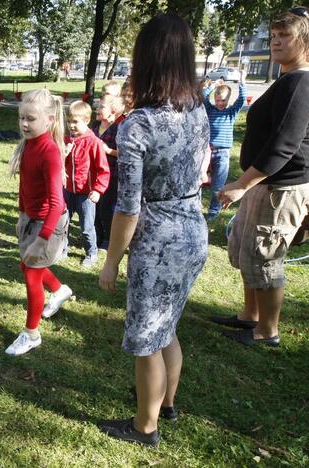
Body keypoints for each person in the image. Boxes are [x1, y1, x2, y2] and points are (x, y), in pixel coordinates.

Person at [97, 14, 209, 447]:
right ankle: (165, 403)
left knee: (146, 339)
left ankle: (146, 427)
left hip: (159, 240)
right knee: (168, 326)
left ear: (145, 58)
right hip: (192, 230)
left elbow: (127, 209)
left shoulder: (137, 125)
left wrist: (110, 262)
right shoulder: (197, 109)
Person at [213, 7, 309, 347]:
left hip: (284, 186)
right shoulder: (294, 75)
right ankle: (250, 317)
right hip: (269, 182)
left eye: (284, 36)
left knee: (265, 255)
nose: (276, 42)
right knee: (247, 249)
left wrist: (241, 185)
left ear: (305, 40)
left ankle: (267, 331)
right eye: (274, 36)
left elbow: (284, 146)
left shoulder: (303, 81)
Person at [4, 88, 72, 356]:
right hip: (32, 219)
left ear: (51, 119)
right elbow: (25, 186)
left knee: (31, 274)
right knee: (27, 265)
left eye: (31, 119)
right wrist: (22, 215)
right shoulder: (29, 144)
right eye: (22, 117)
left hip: (49, 223)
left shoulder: (50, 152)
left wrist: (42, 239)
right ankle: (59, 289)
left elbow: (57, 204)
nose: (24, 124)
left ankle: (31, 334)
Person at [63, 100, 110, 267]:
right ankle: (62, 250)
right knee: (63, 222)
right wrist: (64, 154)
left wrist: (98, 189)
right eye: (69, 121)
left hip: (86, 193)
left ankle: (91, 253)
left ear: (87, 120)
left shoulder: (93, 142)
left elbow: (103, 170)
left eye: (75, 121)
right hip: (68, 190)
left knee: (86, 227)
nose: (71, 125)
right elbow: (59, 163)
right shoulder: (67, 140)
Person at [201, 72, 246, 220]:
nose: (221, 103)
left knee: (217, 184)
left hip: (222, 153)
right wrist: (213, 85)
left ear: (228, 100)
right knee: (199, 180)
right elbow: (202, 96)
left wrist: (242, 83)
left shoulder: (230, 113)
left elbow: (242, 100)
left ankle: (214, 210)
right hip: (208, 151)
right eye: (218, 100)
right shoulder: (211, 110)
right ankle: (194, 206)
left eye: (224, 100)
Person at [91, 94, 126, 250]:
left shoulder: (118, 129)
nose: (97, 109)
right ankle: (96, 236)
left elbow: (124, 153)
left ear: (113, 110)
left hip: (111, 175)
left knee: (106, 209)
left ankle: (108, 239)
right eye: (98, 106)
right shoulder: (93, 127)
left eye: (101, 107)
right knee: (94, 208)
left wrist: (108, 150)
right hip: (93, 174)